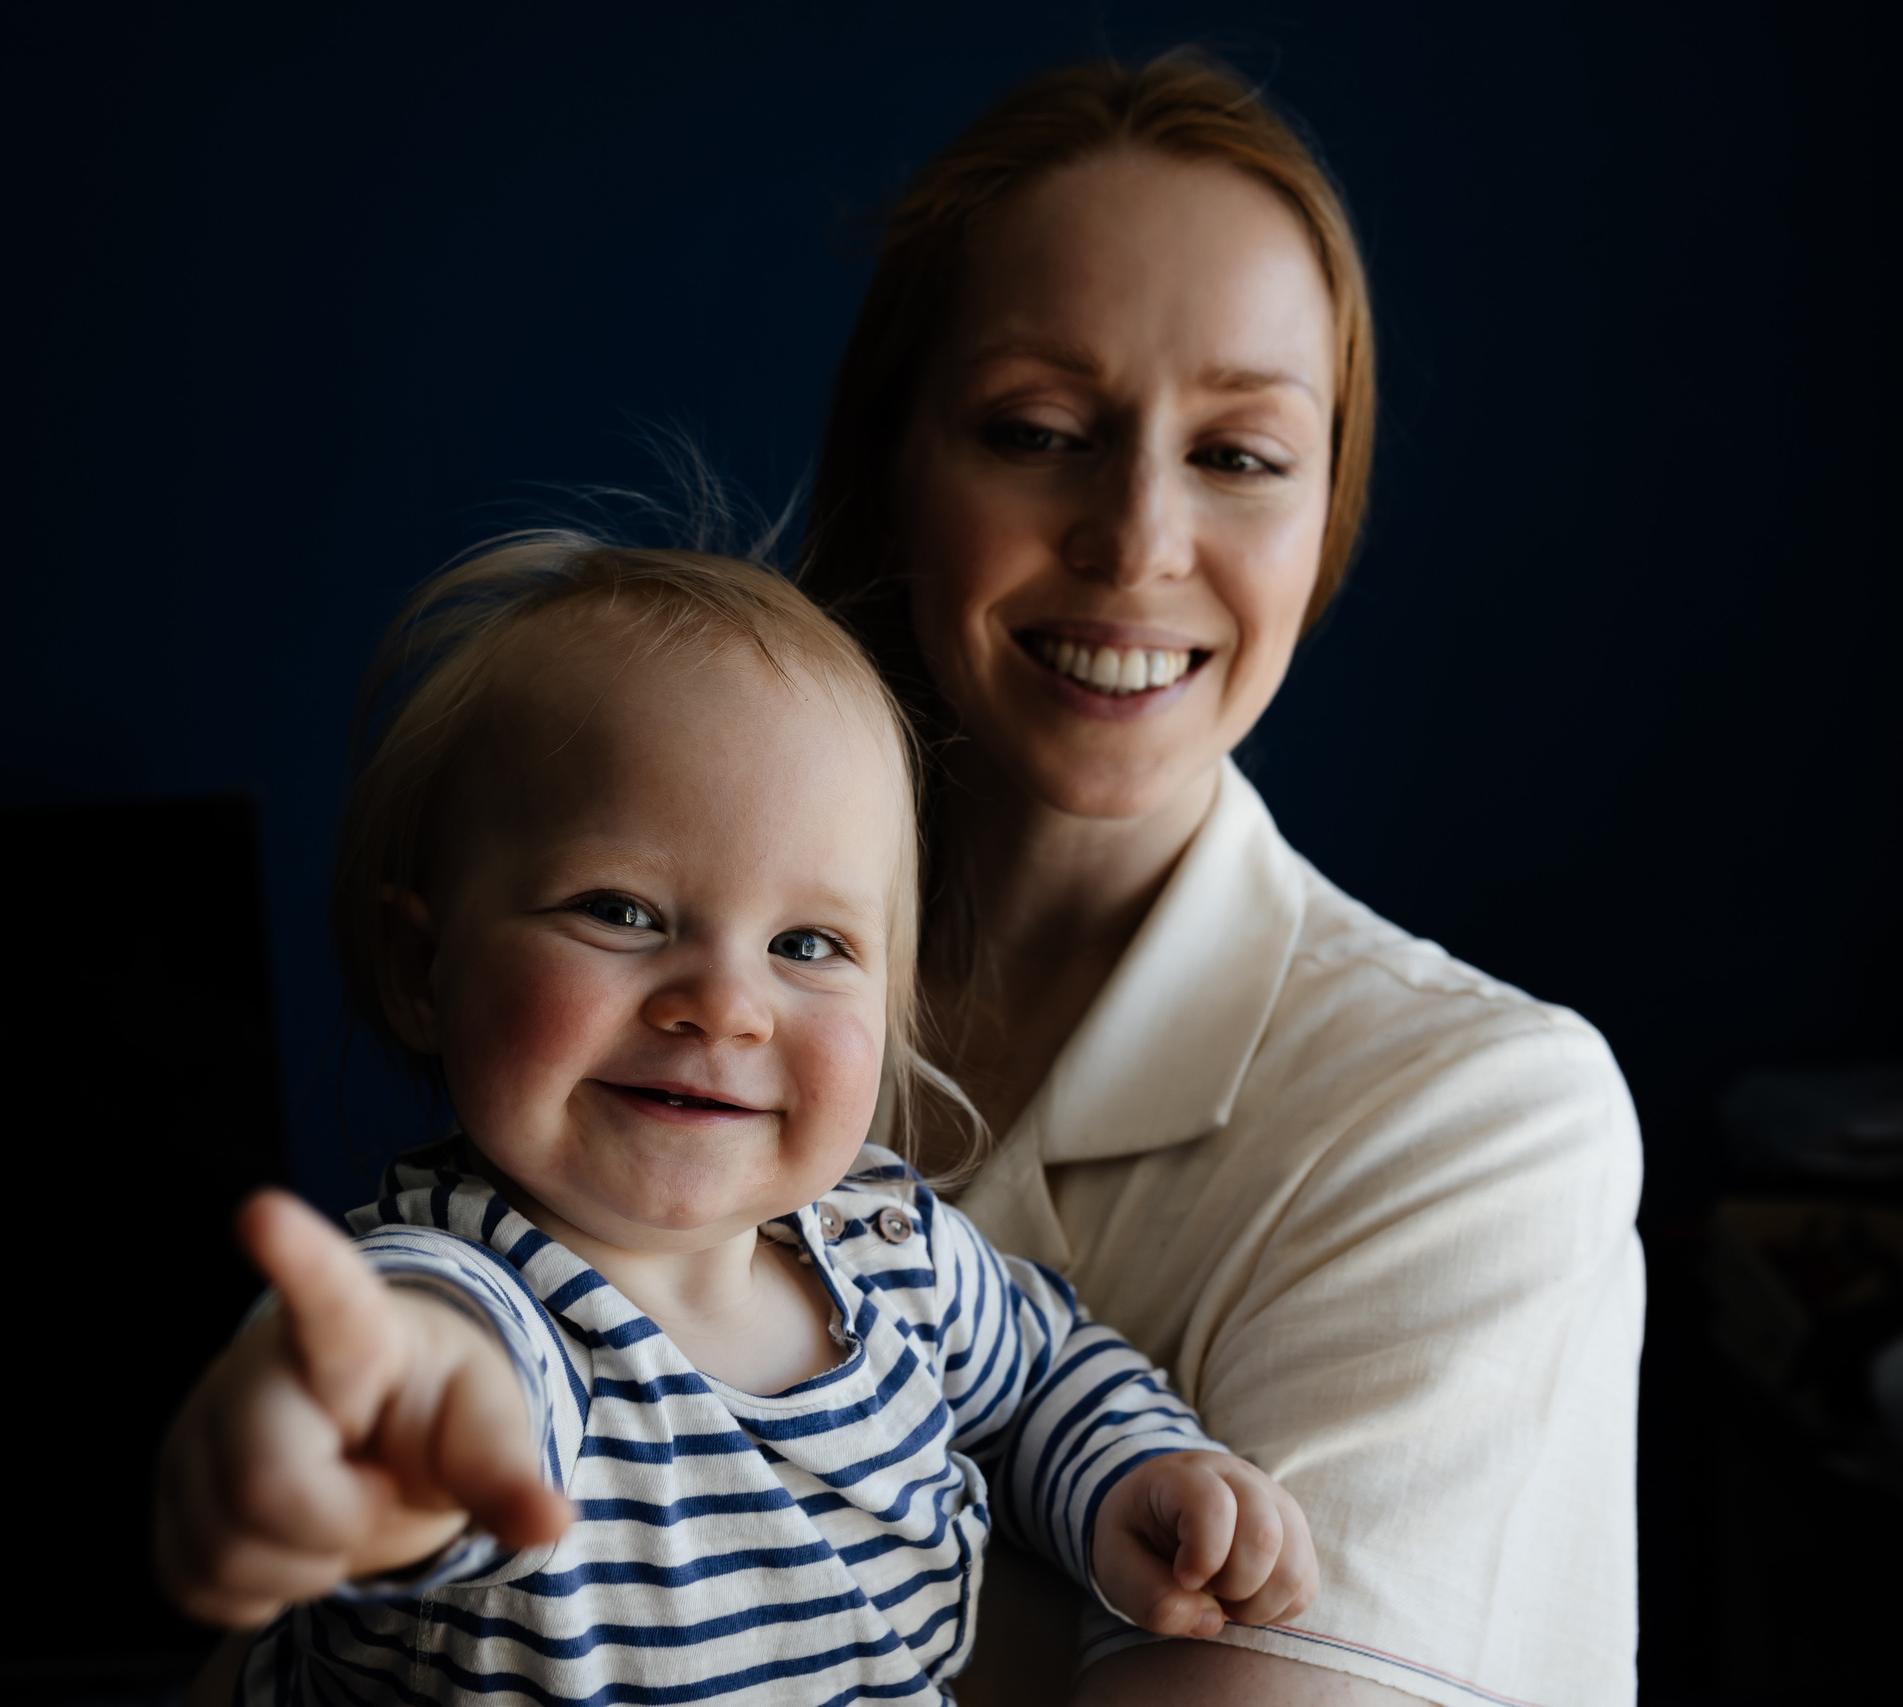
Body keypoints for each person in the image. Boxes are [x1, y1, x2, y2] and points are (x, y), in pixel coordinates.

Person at [802, 54, 1644, 1707]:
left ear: (1327, 522)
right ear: (895, 468)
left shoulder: (1478, 1116)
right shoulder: (672, 988)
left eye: (1243, 455)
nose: (1135, 539)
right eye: (1039, 430)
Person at [153, 539, 1319, 1705]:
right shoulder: (480, 1289)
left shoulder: (889, 1251)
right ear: (423, 966)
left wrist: (1137, 1475)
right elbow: (427, 1357)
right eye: (620, 911)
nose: (725, 1004)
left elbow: (1038, 1378)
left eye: (807, 945)